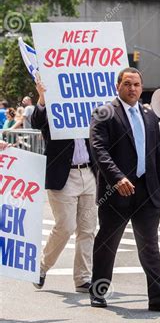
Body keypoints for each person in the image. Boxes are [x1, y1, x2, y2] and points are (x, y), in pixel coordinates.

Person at [89, 67, 160, 312]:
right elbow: (99, 150)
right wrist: (117, 178)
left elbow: (157, 154)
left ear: (142, 87)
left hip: (147, 191)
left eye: (137, 85)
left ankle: (158, 297)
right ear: (117, 86)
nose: (132, 89)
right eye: (127, 84)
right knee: (108, 243)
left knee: (150, 246)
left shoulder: (150, 115)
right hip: (116, 192)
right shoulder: (104, 113)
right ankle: (98, 291)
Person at [31, 80, 97, 293]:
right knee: (65, 226)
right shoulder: (53, 105)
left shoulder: (89, 105)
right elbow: (37, 122)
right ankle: (41, 267)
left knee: (87, 229)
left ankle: (83, 278)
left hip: (89, 173)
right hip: (63, 175)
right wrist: (42, 97)